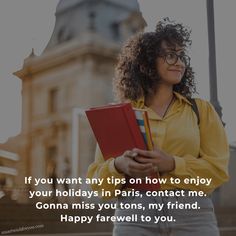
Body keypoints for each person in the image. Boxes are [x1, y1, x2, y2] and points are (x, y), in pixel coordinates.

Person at [87, 18, 229, 236]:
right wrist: (118, 166)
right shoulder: (121, 115)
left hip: (192, 213)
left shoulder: (201, 110)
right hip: (135, 212)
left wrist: (172, 163)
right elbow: (98, 185)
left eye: (182, 56)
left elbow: (217, 172)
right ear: (147, 61)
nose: (179, 62)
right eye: (171, 54)